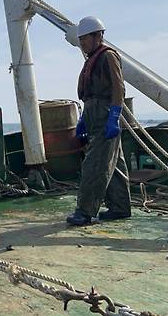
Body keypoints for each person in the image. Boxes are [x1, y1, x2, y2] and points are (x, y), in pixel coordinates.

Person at [66, 17, 131, 226]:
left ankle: (85, 211)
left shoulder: (108, 56)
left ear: (98, 36)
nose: (82, 43)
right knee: (115, 163)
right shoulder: (91, 58)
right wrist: (84, 119)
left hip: (105, 114)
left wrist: (113, 116)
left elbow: (118, 87)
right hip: (94, 113)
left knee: (95, 164)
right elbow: (90, 94)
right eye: (81, 39)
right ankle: (120, 207)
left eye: (85, 38)